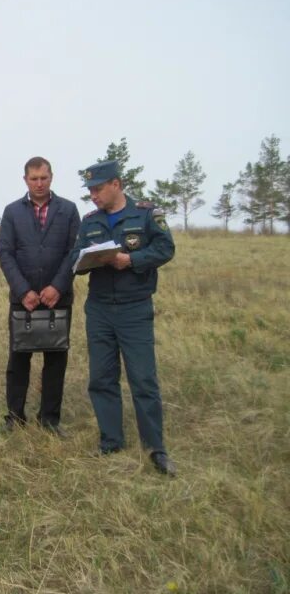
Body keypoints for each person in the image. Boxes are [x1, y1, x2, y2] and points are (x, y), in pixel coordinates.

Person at [71, 159, 177, 476]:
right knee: (102, 378)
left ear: (116, 184)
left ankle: (155, 447)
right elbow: (76, 255)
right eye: (90, 190)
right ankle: (111, 441)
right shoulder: (90, 221)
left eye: (98, 188)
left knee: (143, 379)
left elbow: (165, 248)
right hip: (100, 308)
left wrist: (130, 260)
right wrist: (87, 261)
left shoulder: (145, 214)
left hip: (134, 308)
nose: (93, 195)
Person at [0, 157, 81, 436]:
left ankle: (50, 420)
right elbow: (5, 253)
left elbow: (75, 252)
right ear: (25, 180)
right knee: (19, 359)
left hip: (59, 300)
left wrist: (58, 286)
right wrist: (23, 291)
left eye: (44, 178)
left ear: (52, 177)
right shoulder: (12, 212)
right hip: (24, 301)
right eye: (34, 178)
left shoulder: (68, 210)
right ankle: (15, 416)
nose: (39, 183)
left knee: (56, 360)